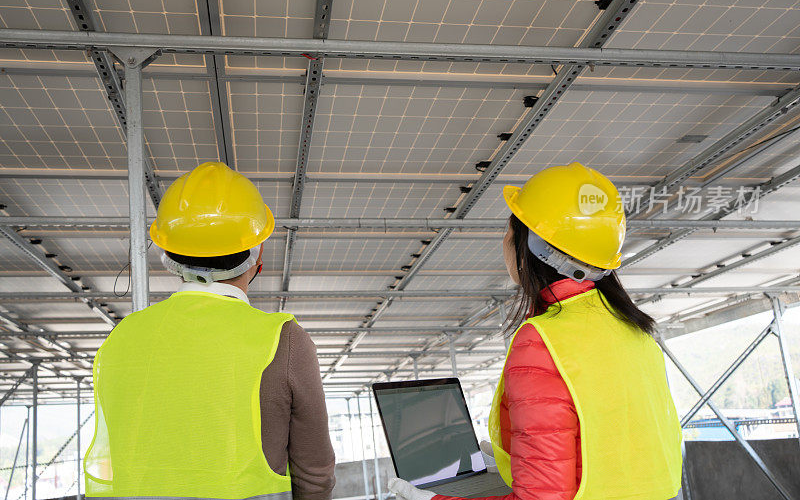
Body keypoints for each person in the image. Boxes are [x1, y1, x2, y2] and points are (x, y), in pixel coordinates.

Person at [389, 163, 682, 500]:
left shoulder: (543, 340)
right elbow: (610, 450)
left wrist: (433, 499)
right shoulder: (638, 332)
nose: (505, 241)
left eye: (510, 230)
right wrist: (512, 459)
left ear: (536, 247)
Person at [84, 162, 335, 500]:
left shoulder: (119, 339)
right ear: (257, 252)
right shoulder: (283, 340)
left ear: (168, 255)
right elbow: (315, 475)